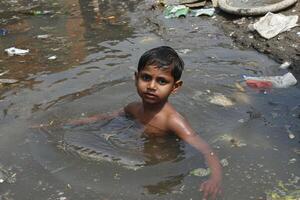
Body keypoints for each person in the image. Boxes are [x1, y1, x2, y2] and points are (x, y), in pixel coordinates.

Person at [69, 46, 222, 200]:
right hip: (142, 157)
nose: (151, 86)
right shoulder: (134, 108)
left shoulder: (173, 121)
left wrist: (214, 179)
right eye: (146, 77)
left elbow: (206, 150)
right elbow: (108, 117)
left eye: (162, 81)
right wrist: (77, 122)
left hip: (165, 167)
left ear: (175, 87)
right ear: (136, 78)